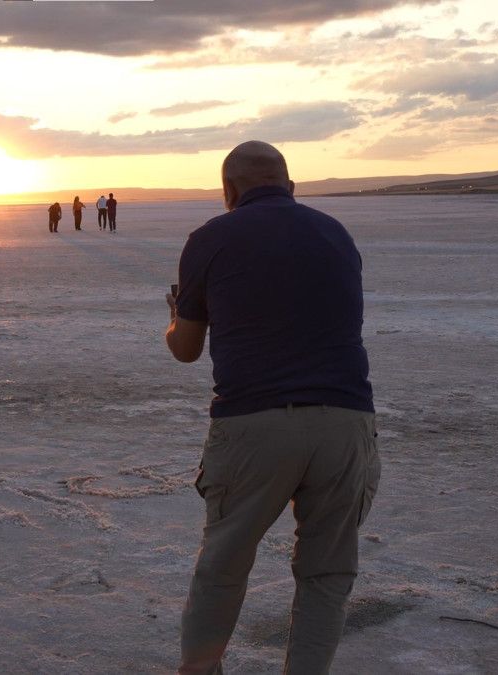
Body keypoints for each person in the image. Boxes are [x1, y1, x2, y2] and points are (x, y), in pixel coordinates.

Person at [167, 141, 379, 674]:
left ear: (228, 190)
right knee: (327, 573)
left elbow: (186, 349)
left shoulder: (211, 238)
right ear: (291, 186)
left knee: (224, 564)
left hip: (253, 424)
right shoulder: (335, 234)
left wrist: (174, 317)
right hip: (346, 420)